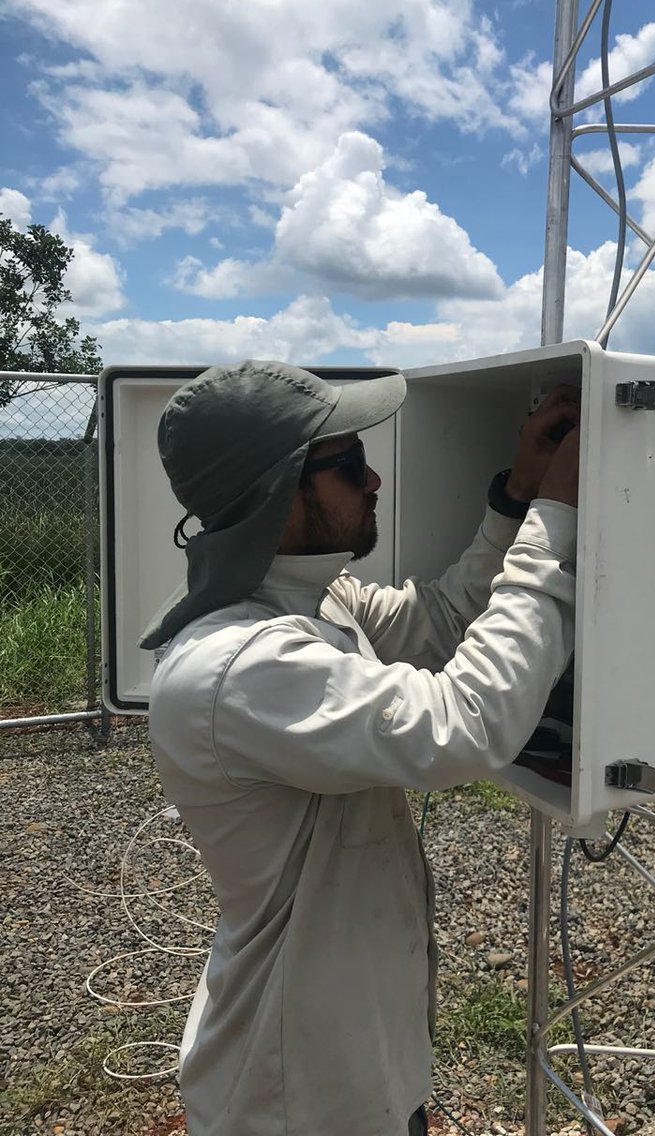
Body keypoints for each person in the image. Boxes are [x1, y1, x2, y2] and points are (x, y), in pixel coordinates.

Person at [140, 360, 580, 1136]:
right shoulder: (244, 665)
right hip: (300, 1096)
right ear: (279, 493)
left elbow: (440, 626)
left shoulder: (315, 600)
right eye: (347, 465)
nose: (373, 479)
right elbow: (465, 725)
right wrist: (557, 519)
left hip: (351, 1057)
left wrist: (518, 496)